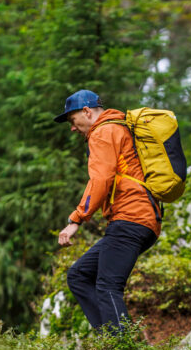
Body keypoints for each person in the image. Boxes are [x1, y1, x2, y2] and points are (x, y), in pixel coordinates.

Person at [54, 89, 161, 332]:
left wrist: (76, 219)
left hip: (131, 218)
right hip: (140, 219)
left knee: (108, 286)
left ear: (86, 112)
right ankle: (109, 343)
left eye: (72, 121)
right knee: (79, 275)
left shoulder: (102, 132)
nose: (72, 128)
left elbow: (101, 180)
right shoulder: (117, 126)